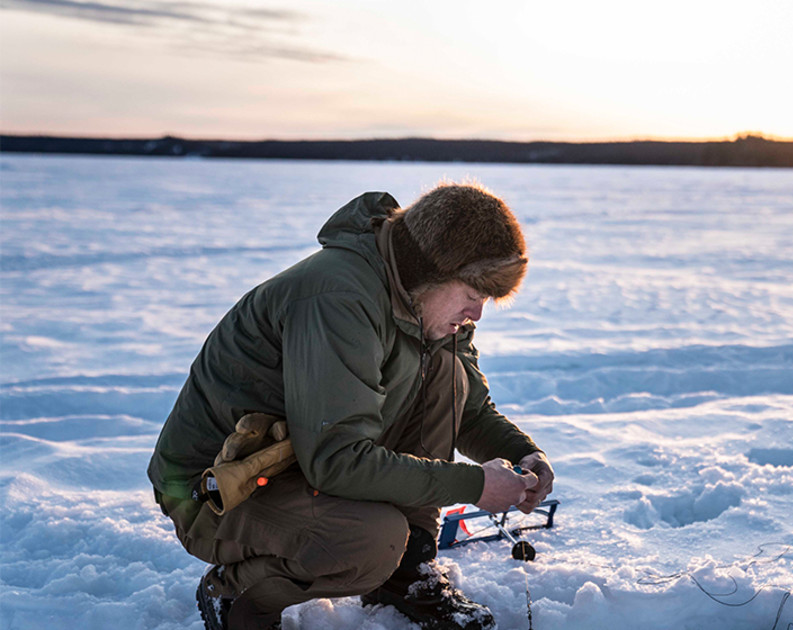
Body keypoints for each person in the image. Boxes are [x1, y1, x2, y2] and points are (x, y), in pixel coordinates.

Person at [147, 184, 554, 630]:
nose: (477, 313)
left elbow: (468, 411)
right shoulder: (339, 297)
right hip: (216, 491)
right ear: (433, 271)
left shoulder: (425, 306)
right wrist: (474, 483)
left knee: (447, 375)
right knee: (370, 541)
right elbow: (336, 461)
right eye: (475, 292)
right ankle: (238, 593)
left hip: (302, 460)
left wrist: (522, 455)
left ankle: (407, 573)